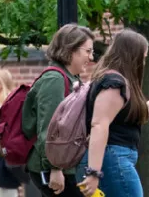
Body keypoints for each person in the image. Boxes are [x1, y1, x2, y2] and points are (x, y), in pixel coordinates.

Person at [78, 30, 149, 197]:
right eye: (142, 57)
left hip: (115, 157)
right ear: (132, 56)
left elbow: (117, 117)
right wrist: (94, 172)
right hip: (113, 158)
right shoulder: (114, 83)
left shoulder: (113, 81)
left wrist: (145, 109)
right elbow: (99, 124)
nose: (143, 63)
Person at [23, 24, 96, 197]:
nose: (91, 57)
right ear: (71, 50)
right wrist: (54, 168)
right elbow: (49, 128)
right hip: (56, 169)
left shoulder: (71, 78)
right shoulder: (54, 80)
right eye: (88, 51)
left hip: (66, 166)